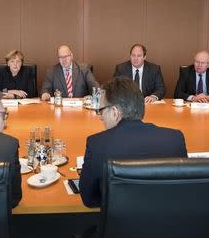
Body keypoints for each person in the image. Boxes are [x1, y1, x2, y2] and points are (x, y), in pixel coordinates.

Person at [80, 77, 187, 208]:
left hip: (119, 226)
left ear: (114, 111)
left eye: (101, 111)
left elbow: (89, 200)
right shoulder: (175, 139)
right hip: (170, 225)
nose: (100, 117)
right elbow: (181, 190)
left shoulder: (97, 144)